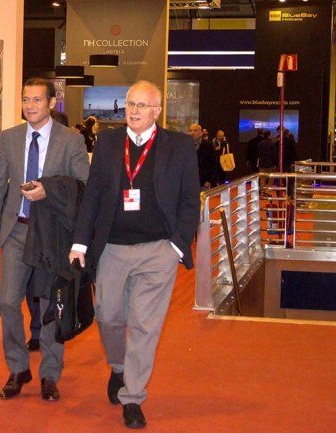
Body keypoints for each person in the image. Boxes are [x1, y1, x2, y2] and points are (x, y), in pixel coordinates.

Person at [69, 81, 199, 429]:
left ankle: (133, 396)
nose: (135, 111)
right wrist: (80, 243)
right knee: (108, 316)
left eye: (143, 105)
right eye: (130, 104)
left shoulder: (180, 146)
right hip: (112, 248)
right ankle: (119, 366)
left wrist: (176, 246)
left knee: (144, 325)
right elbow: (93, 195)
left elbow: (190, 200)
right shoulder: (109, 142)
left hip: (158, 250)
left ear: (157, 111)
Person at [0, 77, 89, 402]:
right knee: (7, 302)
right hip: (16, 231)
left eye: (37, 100)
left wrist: (50, 191)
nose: (30, 106)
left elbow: (83, 185)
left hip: (52, 234)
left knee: (49, 305)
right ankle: (18, 368)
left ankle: (49, 374)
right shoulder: (10, 138)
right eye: (26, 99)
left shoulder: (71, 140)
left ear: (52, 103)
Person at [188, 123, 217, 190]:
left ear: (201, 133)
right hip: (188, 182)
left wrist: (209, 180)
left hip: (203, 183)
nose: (192, 133)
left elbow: (213, 164)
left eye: (195, 130)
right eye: (190, 130)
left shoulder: (208, 145)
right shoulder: (185, 146)